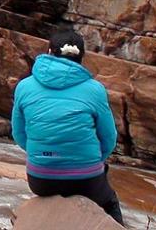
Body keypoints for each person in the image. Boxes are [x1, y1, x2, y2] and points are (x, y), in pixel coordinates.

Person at [12, 30, 124, 225]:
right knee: (110, 202)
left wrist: (41, 153)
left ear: (49, 51)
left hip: (41, 178)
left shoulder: (24, 86)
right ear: (81, 57)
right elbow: (109, 137)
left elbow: (19, 133)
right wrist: (93, 161)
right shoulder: (95, 89)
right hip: (86, 178)